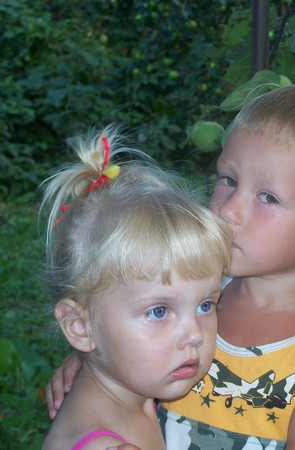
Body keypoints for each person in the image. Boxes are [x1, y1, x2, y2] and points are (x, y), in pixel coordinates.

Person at [47, 83, 295, 450]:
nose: (228, 210)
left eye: (268, 197)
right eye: (228, 180)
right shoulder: (192, 291)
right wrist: (97, 361)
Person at [40, 126, 232, 450]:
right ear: (80, 326)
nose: (195, 335)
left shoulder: (136, 393)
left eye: (205, 305)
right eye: (158, 311)